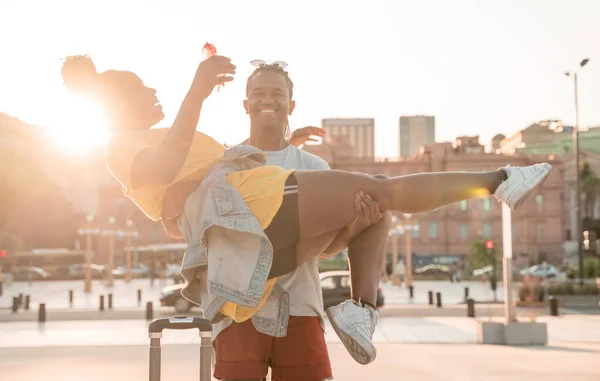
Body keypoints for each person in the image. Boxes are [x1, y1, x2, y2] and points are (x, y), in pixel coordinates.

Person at [61, 53, 552, 376]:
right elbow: (174, 170)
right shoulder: (123, 144)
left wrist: (288, 146)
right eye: (145, 90)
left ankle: (361, 310)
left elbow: (216, 168)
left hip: (256, 224)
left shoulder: (172, 139)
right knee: (380, 191)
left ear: (290, 103)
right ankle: (499, 180)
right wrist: (196, 89)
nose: (155, 95)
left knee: (375, 203)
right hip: (243, 217)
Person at [203, 59, 390, 380]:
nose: (267, 100)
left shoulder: (314, 166)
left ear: (291, 104)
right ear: (245, 104)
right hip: (237, 308)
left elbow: (327, 248)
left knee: (381, 193)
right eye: (259, 93)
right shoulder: (223, 163)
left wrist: (355, 227)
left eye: (277, 93)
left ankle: (360, 312)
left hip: (300, 305)